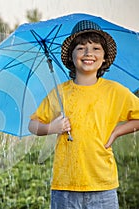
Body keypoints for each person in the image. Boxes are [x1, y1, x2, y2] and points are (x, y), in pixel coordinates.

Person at [28, 20, 139, 209]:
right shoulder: (60, 93)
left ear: (104, 58)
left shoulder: (115, 91)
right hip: (65, 186)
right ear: (71, 57)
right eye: (81, 48)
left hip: (102, 185)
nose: (88, 53)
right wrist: (51, 127)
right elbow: (33, 124)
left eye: (96, 48)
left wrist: (116, 132)